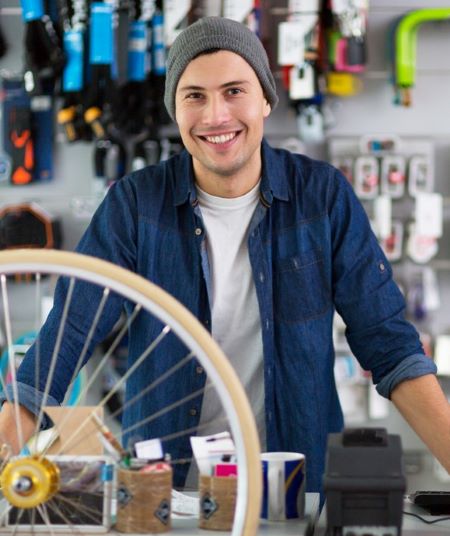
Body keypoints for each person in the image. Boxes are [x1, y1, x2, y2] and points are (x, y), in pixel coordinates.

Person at [0, 17, 449, 495]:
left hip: (293, 484)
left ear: (265, 100)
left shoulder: (322, 196)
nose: (215, 116)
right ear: (175, 109)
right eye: (194, 95)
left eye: (234, 91)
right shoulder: (134, 204)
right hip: (166, 495)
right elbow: (68, 334)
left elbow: (390, 345)